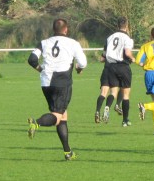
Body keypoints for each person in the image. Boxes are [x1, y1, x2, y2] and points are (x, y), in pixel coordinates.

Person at [27, 18, 88, 161]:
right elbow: (83, 63)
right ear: (66, 30)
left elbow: (32, 60)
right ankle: (36, 123)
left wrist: (40, 69)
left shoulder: (44, 43)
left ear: (53, 29)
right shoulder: (73, 43)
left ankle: (68, 152)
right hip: (62, 82)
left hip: (46, 83)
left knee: (62, 116)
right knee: (57, 116)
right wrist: (79, 68)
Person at [95, 17, 135, 126]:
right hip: (123, 66)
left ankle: (103, 108)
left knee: (111, 91)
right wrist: (133, 58)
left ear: (117, 25)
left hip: (110, 67)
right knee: (125, 94)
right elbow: (127, 53)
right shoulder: (128, 38)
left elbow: (104, 55)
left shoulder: (110, 37)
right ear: (127, 26)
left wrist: (102, 59)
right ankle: (125, 120)